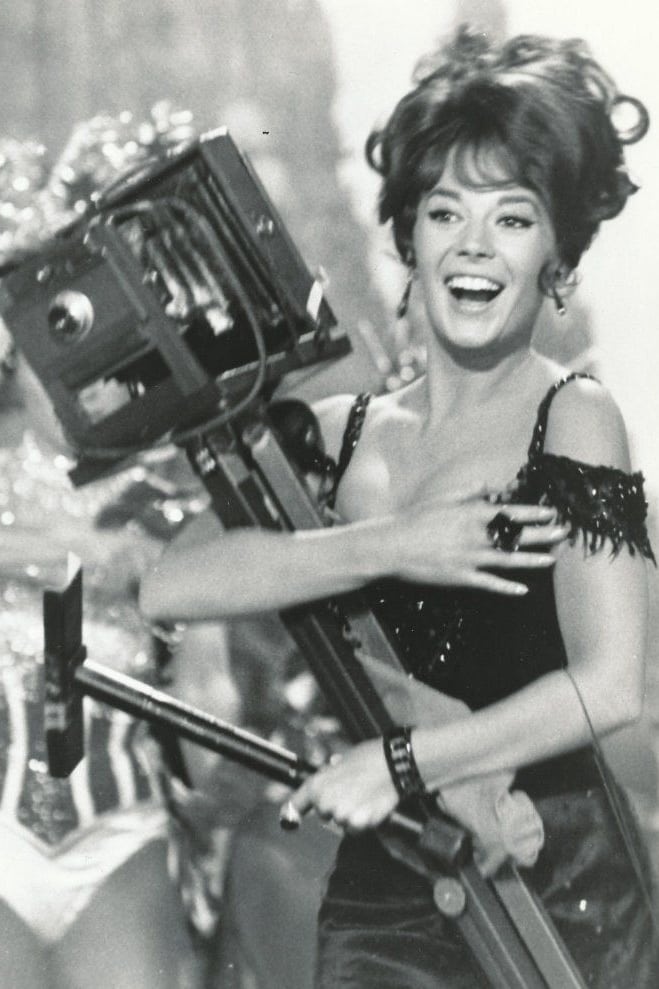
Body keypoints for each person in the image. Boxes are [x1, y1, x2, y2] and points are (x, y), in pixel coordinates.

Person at [140, 27, 657, 988]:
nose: (473, 244)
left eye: (512, 217)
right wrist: (392, 543)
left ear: (555, 251)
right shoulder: (331, 434)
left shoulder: (574, 417)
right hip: (393, 873)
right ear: (408, 234)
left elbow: (610, 684)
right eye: (445, 211)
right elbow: (170, 585)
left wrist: (408, 762)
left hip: (553, 884)